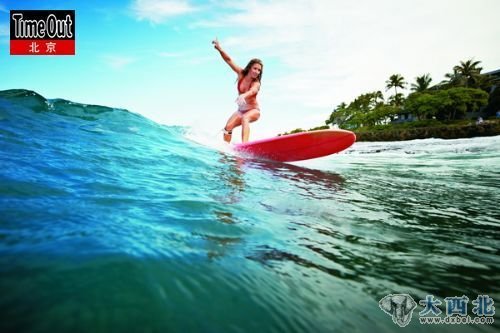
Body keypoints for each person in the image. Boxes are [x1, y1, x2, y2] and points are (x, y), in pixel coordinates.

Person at [212, 38, 263, 143]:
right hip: (241, 110)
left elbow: (253, 91)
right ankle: (227, 148)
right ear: (249, 68)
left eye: (259, 70)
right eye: (255, 68)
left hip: (253, 111)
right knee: (228, 127)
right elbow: (229, 60)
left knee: (245, 118)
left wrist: (243, 96)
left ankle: (245, 145)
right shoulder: (241, 74)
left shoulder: (256, 83)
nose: (257, 72)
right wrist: (219, 49)